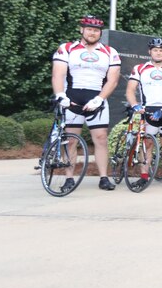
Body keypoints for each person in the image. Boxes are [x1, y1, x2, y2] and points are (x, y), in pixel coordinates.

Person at [51, 16, 121, 191]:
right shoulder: (66, 48)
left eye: (96, 30)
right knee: (70, 140)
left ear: (100, 33)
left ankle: (104, 178)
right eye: (89, 29)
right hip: (72, 99)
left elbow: (112, 81)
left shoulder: (110, 52)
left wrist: (100, 99)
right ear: (81, 29)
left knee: (101, 139)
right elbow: (58, 74)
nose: (92, 32)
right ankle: (69, 178)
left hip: (97, 99)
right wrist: (60, 95)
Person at [126, 37, 162, 188]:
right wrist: (135, 105)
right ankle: (144, 176)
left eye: (161, 50)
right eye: (155, 50)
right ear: (149, 52)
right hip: (147, 110)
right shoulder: (139, 69)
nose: (158, 53)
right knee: (147, 144)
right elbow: (130, 90)